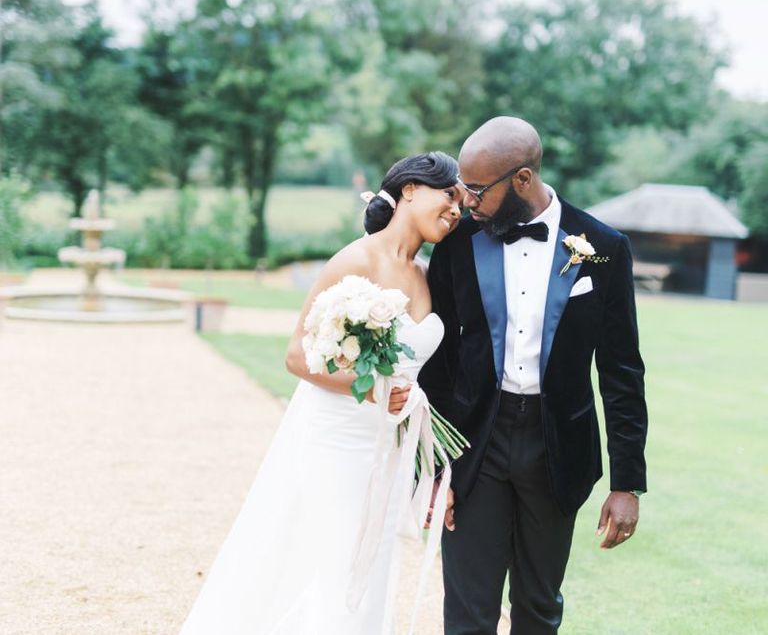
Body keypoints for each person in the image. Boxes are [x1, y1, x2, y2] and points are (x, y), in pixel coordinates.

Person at [180, 151, 464, 634]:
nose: (457, 209)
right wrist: (374, 390)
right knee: (336, 568)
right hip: (338, 440)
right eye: (449, 194)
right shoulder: (356, 259)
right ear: (410, 190)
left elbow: (416, 378)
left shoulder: (426, 274)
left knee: (371, 568)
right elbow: (297, 355)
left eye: (461, 202)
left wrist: (424, 457)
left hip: (388, 447)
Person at [419, 117, 648, 634]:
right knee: (467, 613)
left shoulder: (605, 247)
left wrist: (627, 483)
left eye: (477, 190)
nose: (466, 203)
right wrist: (435, 465)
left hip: (557, 449)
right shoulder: (456, 244)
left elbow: (622, 370)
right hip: (475, 444)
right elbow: (438, 359)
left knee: (539, 609)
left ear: (522, 179)